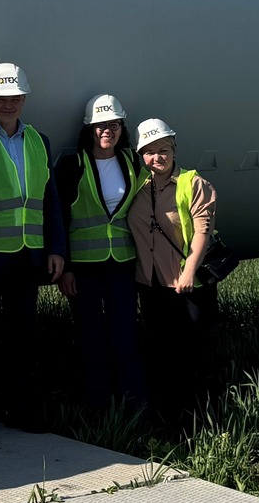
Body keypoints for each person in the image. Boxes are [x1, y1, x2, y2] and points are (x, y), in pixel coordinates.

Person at [0, 64, 67, 440]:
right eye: (2, 97)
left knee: (21, 336)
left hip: (27, 256)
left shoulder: (39, 140)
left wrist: (55, 248)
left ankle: (18, 410)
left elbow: (50, 201)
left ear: (24, 99)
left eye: (16, 97)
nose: (9, 103)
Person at [125, 117, 219, 431]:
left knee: (193, 356)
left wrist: (189, 271)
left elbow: (203, 231)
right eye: (150, 151)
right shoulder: (138, 186)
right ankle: (167, 419)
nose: (157, 157)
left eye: (163, 149)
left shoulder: (193, 184)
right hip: (151, 285)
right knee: (161, 354)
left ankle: (201, 422)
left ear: (174, 149)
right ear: (141, 155)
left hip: (187, 286)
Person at [54, 94, 145, 414]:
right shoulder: (73, 165)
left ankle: (133, 408)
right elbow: (60, 216)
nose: (108, 130)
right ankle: (97, 410)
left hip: (122, 264)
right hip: (84, 268)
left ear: (122, 128)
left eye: (114, 125)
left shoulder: (132, 162)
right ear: (89, 129)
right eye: (101, 125)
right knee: (90, 338)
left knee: (125, 336)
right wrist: (66, 267)